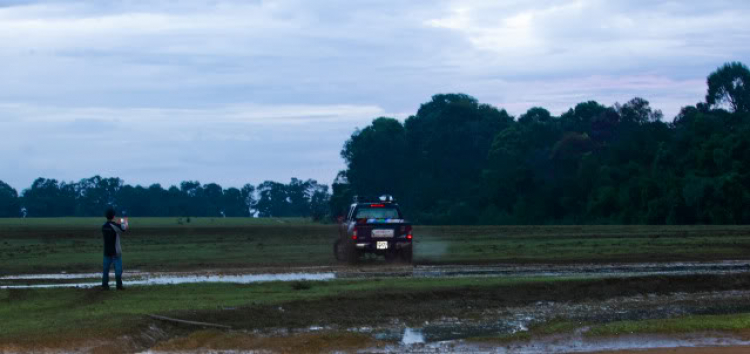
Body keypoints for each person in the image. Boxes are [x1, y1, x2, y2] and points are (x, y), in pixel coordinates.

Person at [102, 207, 127, 290]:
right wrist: (123, 218)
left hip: (106, 252)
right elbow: (124, 228)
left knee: (105, 271)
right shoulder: (114, 226)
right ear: (113, 216)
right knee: (118, 271)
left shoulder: (103, 226)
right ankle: (119, 286)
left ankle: (105, 286)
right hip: (116, 252)